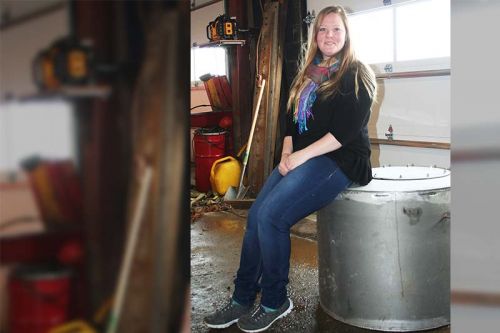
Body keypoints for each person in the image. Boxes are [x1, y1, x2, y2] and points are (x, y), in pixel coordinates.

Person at [204, 5, 377, 332]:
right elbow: (289, 118)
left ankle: (274, 300)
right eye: (323, 30)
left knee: (272, 217)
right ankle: (242, 298)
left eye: (336, 30)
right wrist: (286, 152)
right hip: (301, 156)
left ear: (347, 35)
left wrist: (299, 158)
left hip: (339, 158)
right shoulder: (309, 71)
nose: (328, 36)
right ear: (315, 35)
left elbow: (343, 133)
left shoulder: (356, 74)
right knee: (256, 216)